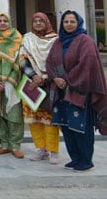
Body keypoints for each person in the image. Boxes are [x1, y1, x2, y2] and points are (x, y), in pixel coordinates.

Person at [46, 11, 107, 172]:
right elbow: (50, 62)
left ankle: (86, 160)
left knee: (81, 127)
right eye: (66, 22)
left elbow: (87, 65)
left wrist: (66, 80)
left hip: (79, 92)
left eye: (72, 21)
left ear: (78, 23)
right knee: (66, 126)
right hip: (61, 92)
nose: (69, 24)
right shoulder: (58, 42)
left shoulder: (85, 41)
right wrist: (55, 78)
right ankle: (75, 158)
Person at [19, 12, 60, 164]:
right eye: (35, 21)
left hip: (50, 83)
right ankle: (41, 149)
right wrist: (33, 76)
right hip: (31, 84)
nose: (37, 23)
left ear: (47, 23)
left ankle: (53, 151)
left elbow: (58, 60)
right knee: (33, 119)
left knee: (49, 119)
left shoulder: (55, 40)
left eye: (40, 21)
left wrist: (45, 77)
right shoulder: (27, 38)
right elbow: (21, 59)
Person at [0, 12, 24, 159]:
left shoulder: (18, 38)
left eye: (5, 21)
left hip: (12, 81)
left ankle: (16, 145)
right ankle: (5, 144)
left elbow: (20, 61)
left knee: (13, 113)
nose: (2, 23)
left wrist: (7, 81)